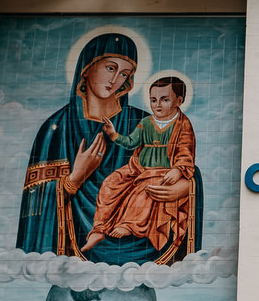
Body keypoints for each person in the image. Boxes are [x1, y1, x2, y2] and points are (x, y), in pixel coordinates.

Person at [15, 31, 197, 265]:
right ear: (87, 67)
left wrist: (185, 188)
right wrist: (74, 179)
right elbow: (34, 202)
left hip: (143, 235)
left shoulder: (145, 121)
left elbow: (185, 162)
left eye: (125, 73)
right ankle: (99, 230)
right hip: (75, 249)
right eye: (110, 68)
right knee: (113, 184)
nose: (115, 80)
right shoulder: (57, 128)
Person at [84, 76, 196, 258]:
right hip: (137, 168)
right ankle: (99, 228)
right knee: (110, 183)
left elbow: (185, 150)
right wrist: (113, 135)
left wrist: (178, 170)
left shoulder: (182, 124)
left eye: (165, 99)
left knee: (144, 190)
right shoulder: (145, 123)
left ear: (179, 101)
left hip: (162, 172)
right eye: (153, 100)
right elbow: (130, 142)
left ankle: (129, 225)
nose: (157, 105)